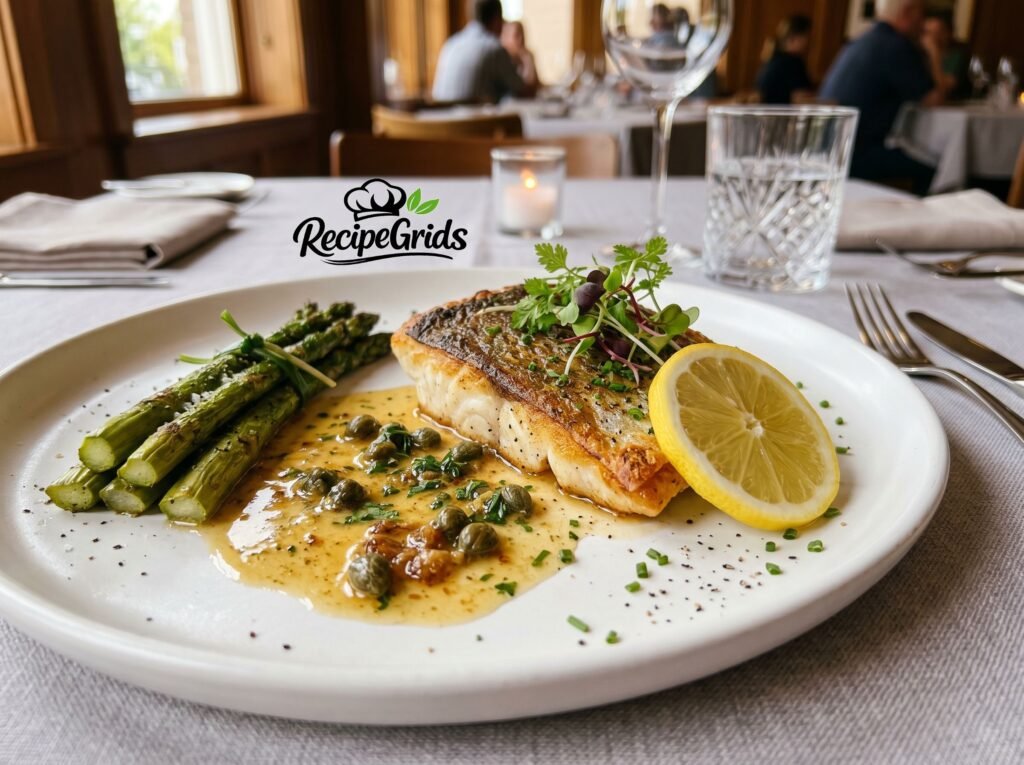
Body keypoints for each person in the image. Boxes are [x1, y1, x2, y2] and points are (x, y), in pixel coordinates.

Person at [820, 0, 951, 195]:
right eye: (921, 15)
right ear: (908, 13)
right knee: (941, 169)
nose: (923, 23)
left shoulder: (860, 41)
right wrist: (934, 53)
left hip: (826, 150)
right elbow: (934, 100)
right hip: (855, 155)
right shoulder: (896, 46)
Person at [431, 0, 537, 104]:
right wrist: (528, 57)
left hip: (438, 120)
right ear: (496, 19)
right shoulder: (494, 48)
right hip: (476, 121)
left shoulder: (450, 44)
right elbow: (527, 93)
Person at [756, 15, 814, 104]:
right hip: (781, 116)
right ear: (795, 37)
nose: (809, 42)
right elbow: (801, 100)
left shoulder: (771, 59)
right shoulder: (793, 63)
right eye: (807, 36)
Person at [923, 11, 970, 100]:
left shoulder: (956, 57)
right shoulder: (917, 55)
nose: (932, 38)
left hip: (950, 107)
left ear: (948, 34)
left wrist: (934, 54)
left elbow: (944, 90)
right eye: (928, 32)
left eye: (937, 33)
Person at [500, 21, 541, 92]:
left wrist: (527, 59)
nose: (521, 39)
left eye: (522, 35)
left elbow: (537, 85)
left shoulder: (527, 55)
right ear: (505, 37)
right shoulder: (502, 58)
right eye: (516, 36)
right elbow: (526, 89)